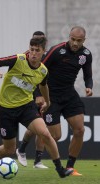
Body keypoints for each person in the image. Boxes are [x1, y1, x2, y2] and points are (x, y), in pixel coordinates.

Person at [0, 37, 73, 178]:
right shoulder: (18, 59)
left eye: (37, 51)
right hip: (5, 108)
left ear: (43, 52)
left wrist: (48, 102)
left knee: (45, 133)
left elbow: (43, 86)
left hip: (26, 107)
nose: (33, 53)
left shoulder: (43, 71)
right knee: (9, 150)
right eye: (31, 49)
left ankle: (60, 169)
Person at [36, 26, 93, 176]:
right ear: (69, 37)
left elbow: (88, 75)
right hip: (51, 96)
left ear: (83, 41)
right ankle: (35, 140)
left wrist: (89, 86)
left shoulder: (86, 54)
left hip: (69, 95)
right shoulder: (56, 51)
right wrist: (38, 94)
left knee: (80, 130)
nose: (75, 43)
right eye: (73, 39)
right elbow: (39, 70)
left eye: (79, 41)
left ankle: (70, 167)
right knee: (56, 136)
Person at [16, 31, 48, 169]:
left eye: (39, 43)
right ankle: (25, 152)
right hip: (31, 96)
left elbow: (43, 78)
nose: (34, 51)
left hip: (45, 95)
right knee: (38, 127)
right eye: (33, 44)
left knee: (40, 128)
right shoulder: (26, 56)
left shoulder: (46, 56)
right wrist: (37, 94)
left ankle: (34, 158)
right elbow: (26, 77)